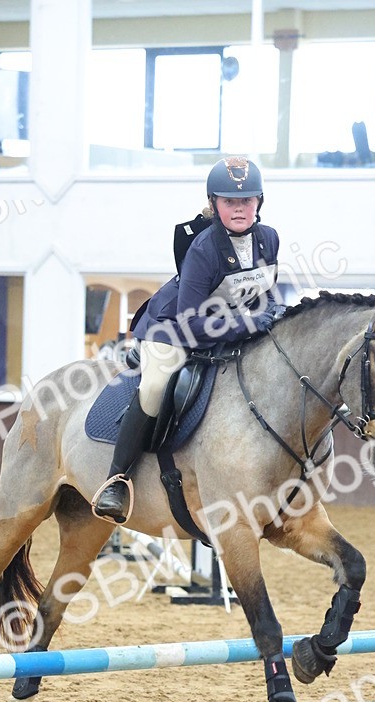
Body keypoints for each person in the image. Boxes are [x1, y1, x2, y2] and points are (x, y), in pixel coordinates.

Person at [92, 156, 280, 523]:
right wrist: (250, 324)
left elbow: (265, 297)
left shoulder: (268, 238)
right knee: (155, 385)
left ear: (260, 201)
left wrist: (272, 316)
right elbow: (192, 323)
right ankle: (117, 479)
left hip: (226, 326)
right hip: (173, 330)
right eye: (229, 201)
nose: (239, 208)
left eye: (246, 200)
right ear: (214, 204)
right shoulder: (204, 248)